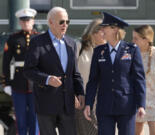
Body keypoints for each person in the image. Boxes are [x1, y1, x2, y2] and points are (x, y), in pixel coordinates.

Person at [23, 7, 85, 135]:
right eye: (61, 22)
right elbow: (28, 70)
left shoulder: (71, 43)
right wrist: (47, 79)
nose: (65, 25)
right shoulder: (37, 42)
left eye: (67, 22)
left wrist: (80, 92)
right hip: (46, 103)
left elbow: (74, 73)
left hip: (67, 104)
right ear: (50, 22)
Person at [84, 12, 146, 135]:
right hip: (105, 106)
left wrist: (141, 105)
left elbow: (139, 79)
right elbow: (93, 80)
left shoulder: (132, 50)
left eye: (104, 27)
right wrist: (88, 104)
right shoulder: (98, 51)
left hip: (126, 106)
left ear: (115, 29)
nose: (101, 30)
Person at [2, 8, 39, 135]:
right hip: (18, 85)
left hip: (36, 85)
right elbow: (6, 63)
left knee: (35, 119)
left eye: (28, 20)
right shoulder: (13, 39)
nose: (25, 23)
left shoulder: (39, 38)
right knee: (21, 120)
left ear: (33, 21)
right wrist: (6, 83)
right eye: (22, 21)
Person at [75, 18, 106, 135]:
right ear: (93, 32)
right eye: (103, 31)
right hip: (82, 100)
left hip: (102, 102)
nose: (106, 35)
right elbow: (70, 73)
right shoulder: (79, 47)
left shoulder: (108, 50)